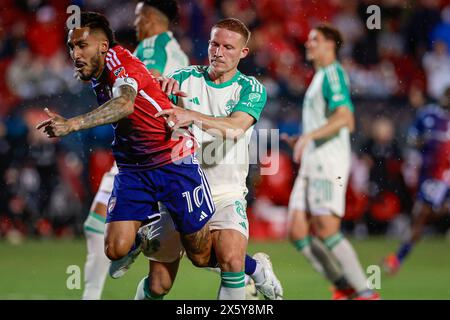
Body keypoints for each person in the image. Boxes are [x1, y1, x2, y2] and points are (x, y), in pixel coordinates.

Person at [36, 11, 216, 287]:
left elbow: (124, 104)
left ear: (103, 47)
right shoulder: (98, 74)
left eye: (82, 45)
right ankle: (144, 236)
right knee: (114, 249)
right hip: (134, 167)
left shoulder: (118, 61)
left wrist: (72, 124)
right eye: (72, 47)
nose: (75, 53)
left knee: (200, 255)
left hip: (172, 159)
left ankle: (252, 266)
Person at [138, 17, 284, 300]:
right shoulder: (183, 78)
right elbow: (149, 103)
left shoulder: (251, 88)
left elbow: (235, 128)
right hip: (181, 192)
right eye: (214, 44)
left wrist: (190, 115)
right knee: (159, 285)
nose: (219, 52)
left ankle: (250, 269)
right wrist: (158, 86)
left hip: (225, 194)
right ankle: (257, 269)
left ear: (243, 53)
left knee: (231, 259)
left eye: (228, 47)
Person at [80, 0, 189, 300]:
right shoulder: (175, 49)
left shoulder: (153, 45)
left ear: (151, 18)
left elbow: (142, 86)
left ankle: (246, 271)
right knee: (160, 280)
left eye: (139, 16)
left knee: (98, 225)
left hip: (146, 147)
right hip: (163, 148)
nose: (134, 22)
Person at [285, 24, 379, 300]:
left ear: (330, 45)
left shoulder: (333, 73)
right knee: (296, 230)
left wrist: (310, 136)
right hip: (313, 160)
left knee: (326, 229)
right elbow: (328, 119)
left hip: (328, 163)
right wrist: (305, 139)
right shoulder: (319, 76)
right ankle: (344, 286)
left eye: (314, 39)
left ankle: (365, 293)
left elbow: (345, 119)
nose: (307, 44)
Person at [383, 87, 450, 275]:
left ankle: (397, 259)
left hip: (443, 175)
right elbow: (413, 139)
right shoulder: (429, 115)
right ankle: (397, 259)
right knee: (421, 215)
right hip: (432, 174)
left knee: (421, 215)